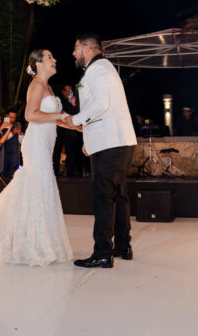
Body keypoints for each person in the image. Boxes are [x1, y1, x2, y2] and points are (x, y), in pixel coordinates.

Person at [0, 49, 76, 266]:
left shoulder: (48, 87)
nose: (54, 60)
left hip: (46, 143)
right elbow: (30, 115)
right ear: (38, 64)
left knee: (39, 188)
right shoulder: (36, 85)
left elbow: (51, 118)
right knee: (41, 187)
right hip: (36, 144)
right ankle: (34, 245)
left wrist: (76, 126)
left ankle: (37, 241)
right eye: (49, 57)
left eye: (53, 56)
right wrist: (61, 114)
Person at [63, 33, 137, 268]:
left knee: (103, 197)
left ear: (87, 48)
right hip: (114, 141)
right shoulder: (101, 68)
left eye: (75, 48)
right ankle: (123, 246)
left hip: (110, 142)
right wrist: (89, 139)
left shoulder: (99, 69)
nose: (73, 53)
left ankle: (103, 253)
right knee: (119, 196)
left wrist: (75, 120)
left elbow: (100, 105)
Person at [53, 84, 82, 177]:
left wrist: (74, 104)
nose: (69, 92)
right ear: (62, 91)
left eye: (71, 91)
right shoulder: (58, 100)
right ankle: (55, 172)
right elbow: (57, 114)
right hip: (59, 129)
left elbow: (76, 113)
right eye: (67, 90)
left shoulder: (73, 100)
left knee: (70, 151)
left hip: (70, 129)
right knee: (57, 150)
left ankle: (70, 173)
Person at [0, 110, 21, 180]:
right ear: (6, 116)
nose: (12, 119)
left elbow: (21, 140)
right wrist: (12, 133)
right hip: (5, 155)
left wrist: (20, 134)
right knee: (4, 177)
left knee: (14, 177)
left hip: (15, 155)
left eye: (14, 118)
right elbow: (1, 140)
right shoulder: (1, 126)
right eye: (11, 117)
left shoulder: (16, 125)